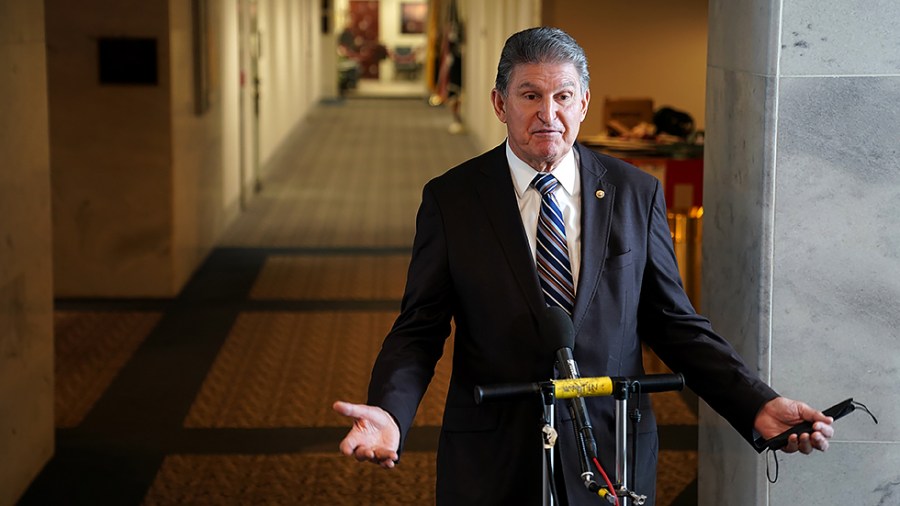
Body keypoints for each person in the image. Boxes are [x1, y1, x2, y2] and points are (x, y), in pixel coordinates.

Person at [333, 27, 833, 505]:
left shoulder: (635, 193)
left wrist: (757, 403)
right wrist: (389, 412)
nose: (548, 113)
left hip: (611, 450)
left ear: (584, 103)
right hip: (494, 456)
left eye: (563, 97)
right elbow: (419, 328)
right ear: (499, 103)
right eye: (530, 96)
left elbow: (675, 325)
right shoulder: (452, 199)